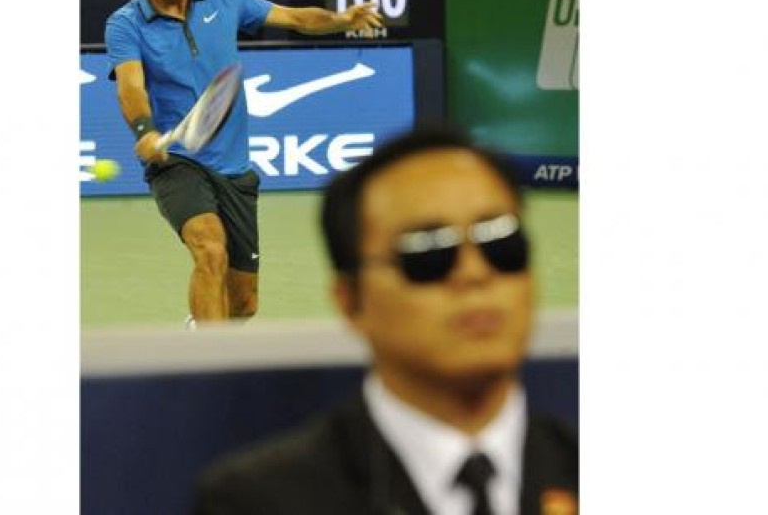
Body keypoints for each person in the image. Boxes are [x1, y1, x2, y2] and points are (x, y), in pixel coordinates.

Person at [191, 125, 578, 514]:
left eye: (502, 245)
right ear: (351, 301)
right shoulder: (255, 502)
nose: (474, 275)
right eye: (427, 254)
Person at [105, 0, 382, 325]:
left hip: (234, 169)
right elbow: (131, 86)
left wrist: (341, 20)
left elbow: (294, 17)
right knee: (209, 250)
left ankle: (203, 326)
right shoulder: (126, 23)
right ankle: (210, 369)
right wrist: (145, 131)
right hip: (177, 161)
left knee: (244, 304)